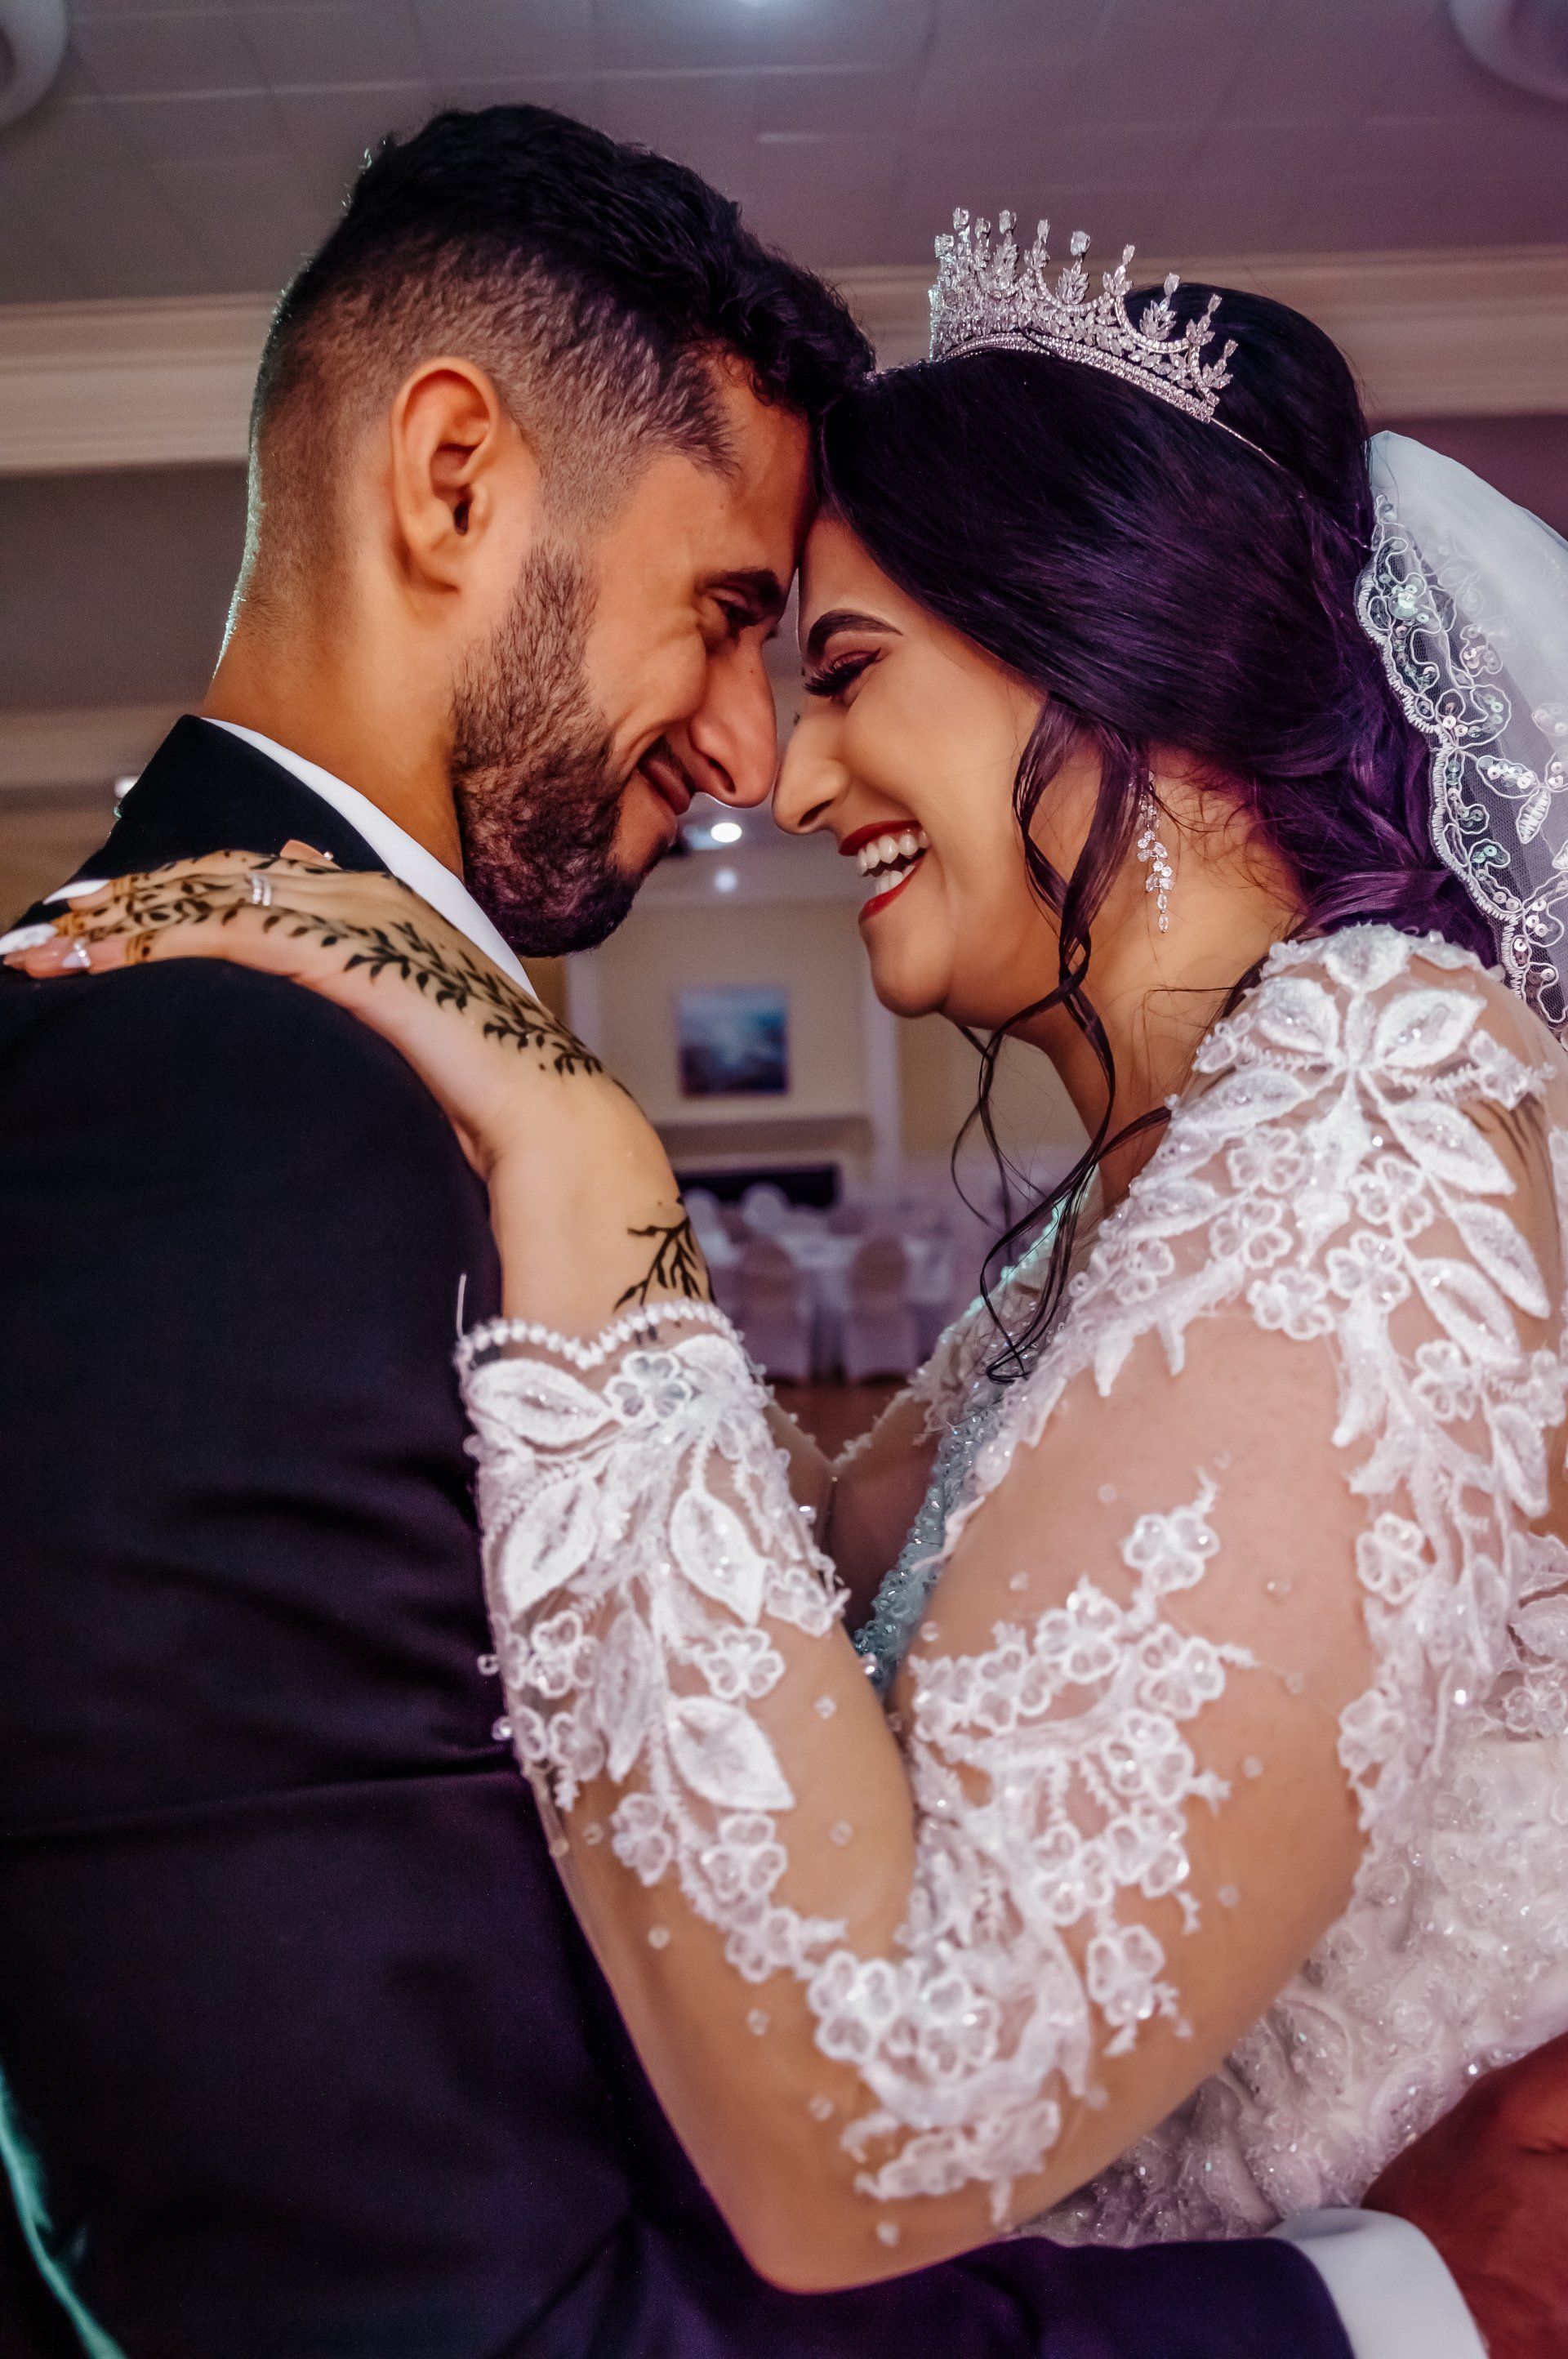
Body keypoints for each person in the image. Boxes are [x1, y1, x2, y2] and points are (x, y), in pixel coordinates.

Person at [11, 181, 1568, 2359]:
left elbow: (889, 2088)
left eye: (835, 666)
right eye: (758, 642)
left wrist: (591, 1167)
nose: (782, 768)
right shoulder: (1104, 1240)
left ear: (1117, 643)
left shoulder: (1377, 1114)